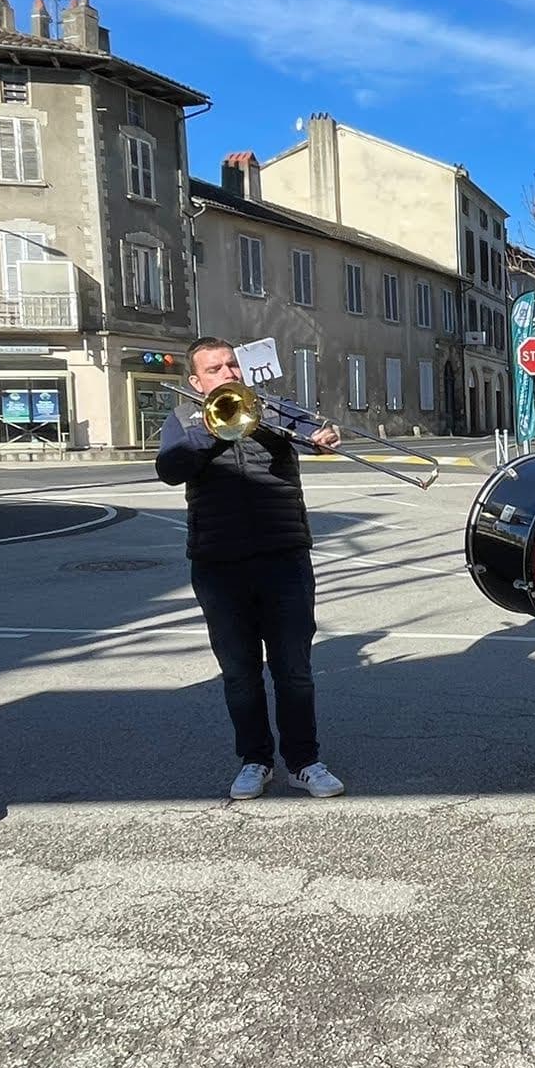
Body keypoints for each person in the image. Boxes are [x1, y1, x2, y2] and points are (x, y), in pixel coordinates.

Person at [156, 338, 346, 801]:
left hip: (283, 555)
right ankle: (255, 760)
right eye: (215, 369)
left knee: (294, 669)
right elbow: (170, 468)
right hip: (218, 562)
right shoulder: (183, 418)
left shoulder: (274, 408)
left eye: (232, 365)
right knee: (239, 673)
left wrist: (326, 437)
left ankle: (304, 762)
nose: (227, 373)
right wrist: (216, 428)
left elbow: (318, 434)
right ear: (196, 381)